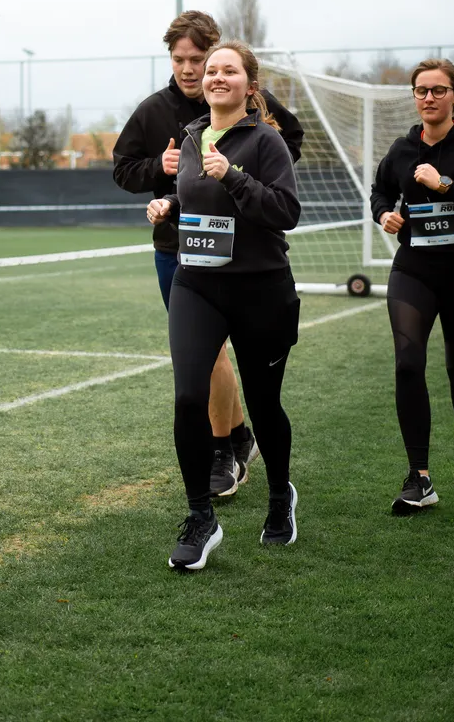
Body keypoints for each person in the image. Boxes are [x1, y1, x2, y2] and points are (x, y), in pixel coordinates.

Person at [113, 11, 303, 499]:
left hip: (251, 262)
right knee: (202, 362)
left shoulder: (255, 117)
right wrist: (163, 173)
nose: (193, 70)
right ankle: (225, 452)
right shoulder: (157, 112)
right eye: (181, 60)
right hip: (181, 255)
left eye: (202, 60)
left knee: (245, 376)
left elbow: (286, 152)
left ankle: (242, 450)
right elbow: (124, 169)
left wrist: (246, 175)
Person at [146, 40, 301, 569]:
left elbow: (285, 212)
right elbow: (196, 204)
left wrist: (232, 176)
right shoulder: (191, 137)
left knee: (263, 403)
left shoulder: (266, 142)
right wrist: (168, 206)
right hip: (197, 284)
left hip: (260, 287)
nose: (215, 77)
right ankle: (199, 517)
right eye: (210, 71)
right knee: (189, 395)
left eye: (227, 71)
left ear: (249, 85)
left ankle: (280, 496)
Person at [370, 58, 454, 515]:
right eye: (421, 90)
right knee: (408, 364)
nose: (428, 97)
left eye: (438, 90)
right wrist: (384, 213)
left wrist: (445, 184)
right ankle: (420, 477)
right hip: (415, 270)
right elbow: (380, 192)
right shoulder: (402, 149)